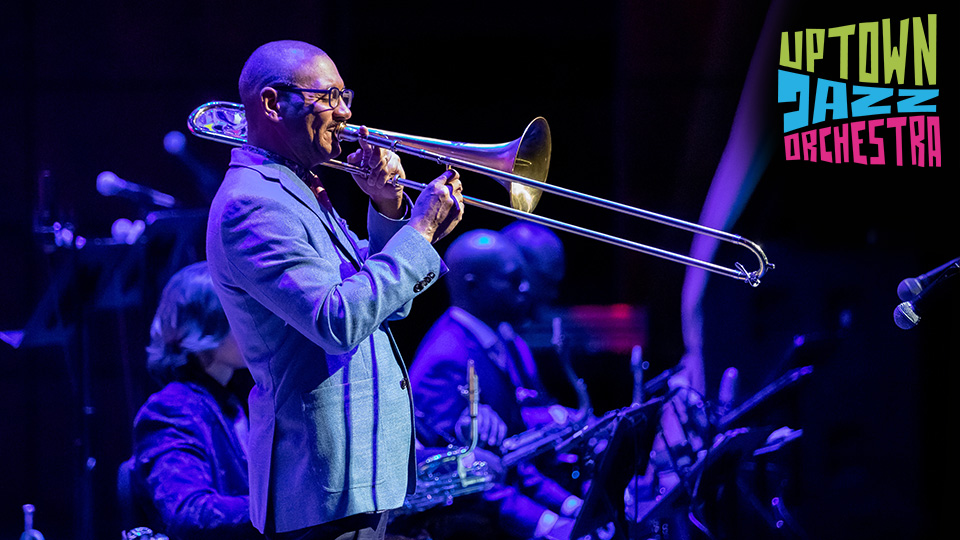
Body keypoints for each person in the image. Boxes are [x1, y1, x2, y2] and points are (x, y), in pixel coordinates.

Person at [205, 40, 464, 540]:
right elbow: (337, 320)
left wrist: (390, 213)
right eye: (329, 97)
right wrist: (420, 230)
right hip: (324, 484)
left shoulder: (296, 187)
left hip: (359, 474)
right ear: (272, 103)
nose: (346, 113)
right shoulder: (252, 204)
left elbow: (387, 309)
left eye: (346, 96)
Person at [409, 229, 581, 540]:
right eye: (513, 280)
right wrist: (546, 524)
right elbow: (461, 476)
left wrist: (568, 505)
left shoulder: (494, 341)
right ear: (473, 285)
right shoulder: (446, 360)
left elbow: (506, 454)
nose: (525, 288)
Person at [131, 261, 262, 540]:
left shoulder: (230, 400)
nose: (255, 322)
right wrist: (287, 510)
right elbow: (189, 513)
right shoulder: (170, 410)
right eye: (240, 311)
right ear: (205, 326)